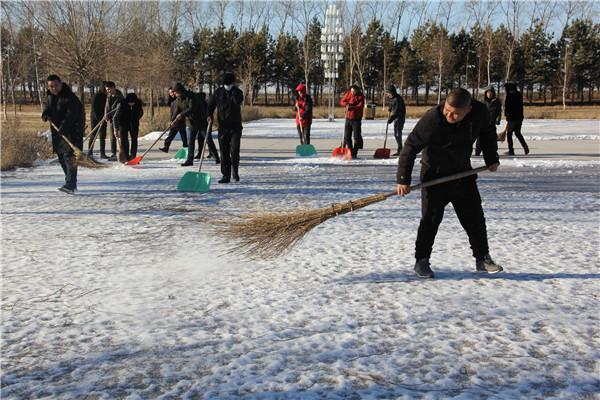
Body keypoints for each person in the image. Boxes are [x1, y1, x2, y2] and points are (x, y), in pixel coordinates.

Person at [396, 88, 502, 279]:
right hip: (434, 175)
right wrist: (403, 179)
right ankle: (422, 261)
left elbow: (487, 133)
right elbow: (410, 147)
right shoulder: (432, 120)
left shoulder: (479, 113)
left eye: (455, 113)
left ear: (468, 110)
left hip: (462, 172)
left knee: (475, 218)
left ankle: (482, 258)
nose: (449, 115)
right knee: (430, 219)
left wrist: (491, 158)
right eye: (447, 109)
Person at [41, 75, 84, 195]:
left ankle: (70, 184)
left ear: (60, 84)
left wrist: (64, 127)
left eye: (55, 85)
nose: (53, 88)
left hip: (72, 131)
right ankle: (69, 181)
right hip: (57, 131)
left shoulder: (70, 97)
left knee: (69, 157)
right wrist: (45, 114)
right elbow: (47, 107)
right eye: (51, 86)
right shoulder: (50, 96)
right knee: (61, 157)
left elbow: (72, 114)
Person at [208, 72, 244, 183]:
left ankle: (235, 172)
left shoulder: (238, 92)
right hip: (223, 127)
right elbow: (210, 105)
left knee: (234, 151)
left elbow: (238, 101)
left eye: (229, 83)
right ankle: (225, 175)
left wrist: (232, 91)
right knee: (224, 152)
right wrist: (209, 115)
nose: (227, 85)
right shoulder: (218, 93)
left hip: (235, 128)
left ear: (233, 82)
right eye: (226, 83)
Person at [172, 82, 211, 167]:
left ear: (179, 91)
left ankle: (216, 156)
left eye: (175, 92)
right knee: (191, 141)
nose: (174, 94)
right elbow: (177, 110)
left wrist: (182, 115)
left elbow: (192, 108)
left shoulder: (191, 96)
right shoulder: (179, 99)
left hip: (201, 121)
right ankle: (190, 160)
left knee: (207, 139)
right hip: (191, 122)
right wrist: (174, 120)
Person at [339, 84, 365, 159]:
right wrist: (346, 104)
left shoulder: (360, 96)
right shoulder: (348, 94)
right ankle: (350, 150)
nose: (352, 92)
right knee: (347, 136)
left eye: (354, 91)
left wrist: (352, 107)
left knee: (356, 136)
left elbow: (361, 105)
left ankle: (355, 151)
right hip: (348, 118)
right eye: (351, 91)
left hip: (356, 119)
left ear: (357, 90)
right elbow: (342, 101)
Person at [503, 82, 529, 155]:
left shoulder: (510, 95)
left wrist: (507, 115)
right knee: (517, 133)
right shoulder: (518, 94)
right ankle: (525, 146)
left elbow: (508, 107)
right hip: (520, 118)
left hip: (512, 118)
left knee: (509, 134)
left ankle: (511, 150)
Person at [475, 86, 502, 156]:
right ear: (486, 93)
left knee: (493, 138)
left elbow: (499, 112)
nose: (489, 94)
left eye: (491, 93)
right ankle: (477, 152)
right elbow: (478, 112)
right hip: (482, 123)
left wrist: (498, 120)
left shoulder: (497, 101)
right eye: (488, 93)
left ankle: (494, 151)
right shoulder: (482, 101)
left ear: (493, 93)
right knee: (480, 138)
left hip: (492, 123)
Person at [160, 87, 188, 153]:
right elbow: (172, 112)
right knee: (174, 135)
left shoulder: (179, 100)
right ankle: (166, 147)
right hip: (175, 120)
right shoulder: (172, 101)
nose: (171, 94)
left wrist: (173, 120)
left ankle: (186, 148)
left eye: (172, 92)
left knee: (181, 135)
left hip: (179, 120)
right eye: (170, 93)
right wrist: (171, 120)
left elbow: (176, 111)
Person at [194, 91, 220, 163]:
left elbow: (207, 114)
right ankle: (200, 154)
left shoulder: (204, 104)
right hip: (201, 125)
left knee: (208, 140)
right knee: (200, 139)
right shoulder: (201, 103)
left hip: (205, 125)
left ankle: (216, 156)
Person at [103, 81, 126, 161]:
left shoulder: (120, 97)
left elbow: (118, 109)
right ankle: (113, 153)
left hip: (119, 118)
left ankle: (122, 153)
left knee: (118, 136)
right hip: (111, 119)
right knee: (112, 137)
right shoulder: (109, 96)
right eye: (106, 89)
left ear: (113, 88)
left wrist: (108, 114)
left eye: (109, 89)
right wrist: (105, 114)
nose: (108, 91)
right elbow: (106, 106)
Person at [119, 92, 144, 160]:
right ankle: (125, 156)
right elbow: (118, 115)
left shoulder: (138, 104)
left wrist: (135, 117)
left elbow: (141, 113)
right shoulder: (122, 104)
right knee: (124, 140)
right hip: (123, 124)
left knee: (134, 140)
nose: (131, 104)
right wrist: (117, 126)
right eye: (129, 103)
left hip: (134, 124)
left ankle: (133, 156)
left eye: (132, 103)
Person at [87, 84, 108, 158]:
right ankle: (90, 152)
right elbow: (94, 109)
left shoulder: (107, 96)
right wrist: (99, 120)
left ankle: (102, 153)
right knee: (93, 135)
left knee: (103, 136)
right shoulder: (96, 96)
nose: (107, 91)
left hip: (104, 118)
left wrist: (105, 118)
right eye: (105, 89)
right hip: (95, 119)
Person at [385, 84, 406, 156]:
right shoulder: (392, 98)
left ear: (392, 92)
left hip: (399, 118)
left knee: (397, 133)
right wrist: (390, 108)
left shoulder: (398, 99)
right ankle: (400, 149)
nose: (387, 94)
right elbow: (392, 106)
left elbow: (397, 111)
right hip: (396, 118)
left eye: (388, 93)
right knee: (396, 134)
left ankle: (400, 149)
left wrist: (391, 119)